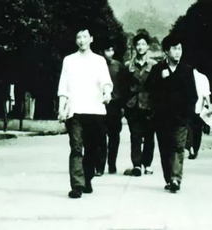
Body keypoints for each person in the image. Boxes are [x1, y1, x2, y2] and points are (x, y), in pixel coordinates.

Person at [57, 27, 113, 199]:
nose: (82, 40)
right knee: (76, 147)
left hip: (95, 110)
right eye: (78, 37)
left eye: (85, 36)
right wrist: (61, 108)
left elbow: (106, 81)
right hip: (74, 111)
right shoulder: (69, 60)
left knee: (92, 149)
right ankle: (77, 185)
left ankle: (87, 179)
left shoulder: (99, 61)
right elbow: (63, 86)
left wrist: (107, 92)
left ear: (91, 38)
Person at [147, 35, 197, 193]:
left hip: (180, 118)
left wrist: (187, 114)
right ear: (166, 51)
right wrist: (162, 80)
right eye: (174, 49)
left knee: (178, 147)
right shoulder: (157, 70)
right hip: (161, 118)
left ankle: (176, 178)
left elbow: (193, 95)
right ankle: (169, 178)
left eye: (180, 49)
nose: (178, 52)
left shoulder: (187, 70)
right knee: (165, 149)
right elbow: (150, 91)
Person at [121, 31, 157, 176]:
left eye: (143, 44)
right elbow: (124, 87)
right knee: (135, 136)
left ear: (148, 46)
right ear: (135, 47)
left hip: (149, 105)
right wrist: (125, 105)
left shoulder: (154, 65)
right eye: (138, 44)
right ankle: (136, 164)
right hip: (133, 105)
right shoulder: (128, 66)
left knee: (149, 136)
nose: (140, 47)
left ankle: (147, 163)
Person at [96, 42, 124, 175]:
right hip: (99, 103)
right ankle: (100, 166)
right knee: (100, 135)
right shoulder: (96, 65)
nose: (110, 53)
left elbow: (123, 86)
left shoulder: (118, 66)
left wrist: (122, 105)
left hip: (115, 104)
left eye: (112, 50)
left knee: (114, 136)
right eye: (107, 50)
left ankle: (112, 164)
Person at [186, 68, 211, 159]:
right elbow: (206, 94)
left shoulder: (184, 75)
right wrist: (209, 106)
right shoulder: (203, 77)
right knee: (197, 131)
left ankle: (190, 147)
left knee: (188, 129)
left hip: (187, 108)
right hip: (199, 109)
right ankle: (195, 149)